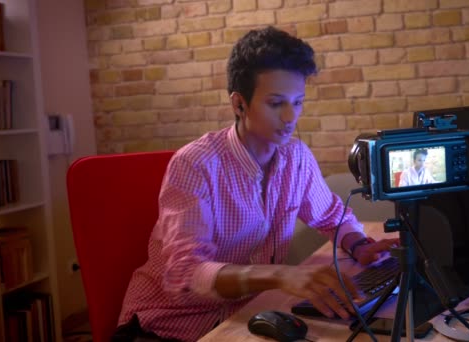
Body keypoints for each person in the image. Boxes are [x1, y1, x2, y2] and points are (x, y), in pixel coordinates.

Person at [113, 26, 397, 342]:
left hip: (245, 317)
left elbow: (332, 216)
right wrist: (279, 275)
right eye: (276, 103)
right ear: (239, 105)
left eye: (298, 101)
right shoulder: (195, 164)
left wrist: (360, 246)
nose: (291, 116)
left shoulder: (296, 158)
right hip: (166, 327)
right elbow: (185, 275)